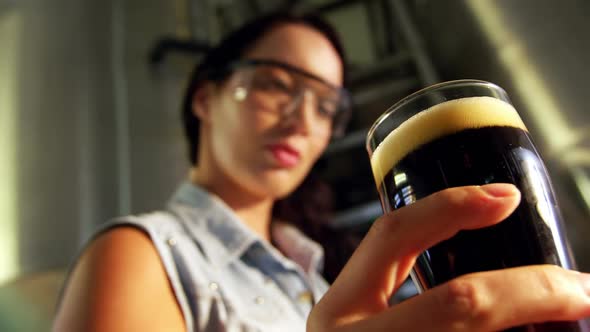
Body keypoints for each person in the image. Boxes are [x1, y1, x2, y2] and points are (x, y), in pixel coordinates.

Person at [53, 10, 590, 332]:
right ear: (204, 97)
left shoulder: (314, 272)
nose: (300, 120)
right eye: (275, 84)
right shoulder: (141, 252)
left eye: (325, 106)